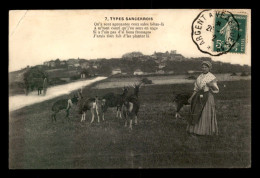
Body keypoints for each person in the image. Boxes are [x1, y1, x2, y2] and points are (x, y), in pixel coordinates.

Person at [187, 61, 219, 136]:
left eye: (206, 67)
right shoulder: (199, 77)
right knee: (197, 111)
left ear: (209, 68)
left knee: (205, 113)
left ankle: (205, 131)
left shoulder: (212, 77)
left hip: (207, 97)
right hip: (199, 97)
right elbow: (196, 89)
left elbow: (216, 90)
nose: (204, 69)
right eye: (203, 67)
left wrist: (211, 85)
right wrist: (191, 98)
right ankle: (196, 130)